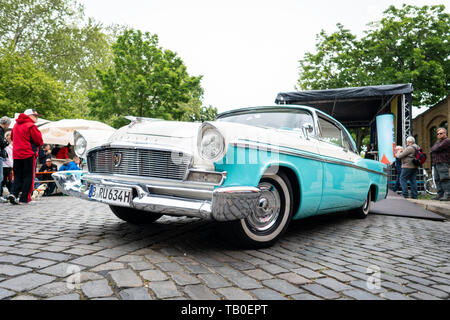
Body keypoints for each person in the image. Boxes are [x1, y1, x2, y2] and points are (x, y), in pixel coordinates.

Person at [8, 109, 44, 204]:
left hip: (16, 155)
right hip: (28, 154)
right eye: (35, 115)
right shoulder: (31, 126)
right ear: (28, 116)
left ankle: (14, 194)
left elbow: (12, 138)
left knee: (18, 176)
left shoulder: (15, 125)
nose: (37, 117)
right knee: (29, 176)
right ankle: (25, 198)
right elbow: (39, 141)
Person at [430, 127, 450, 201]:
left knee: (444, 179)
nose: (439, 135)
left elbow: (435, 148)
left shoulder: (447, 141)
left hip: (443, 162)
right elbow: (432, 149)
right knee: (437, 179)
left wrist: (434, 148)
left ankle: (447, 195)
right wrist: (434, 148)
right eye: (438, 134)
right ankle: (440, 195)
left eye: (441, 133)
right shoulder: (438, 142)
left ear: (445, 133)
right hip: (436, 163)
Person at [0, 116, 11, 202]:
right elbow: (2, 143)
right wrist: (6, 142)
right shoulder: (0, 130)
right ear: (6, 124)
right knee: (0, 177)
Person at [2, 132, 13, 199]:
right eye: (9, 136)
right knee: (4, 181)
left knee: (8, 181)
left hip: (9, 166)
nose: (11, 137)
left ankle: (11, 193)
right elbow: (6, 158)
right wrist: (12, 165)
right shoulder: (6, 146)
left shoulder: (10, 146)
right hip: (5, 166)